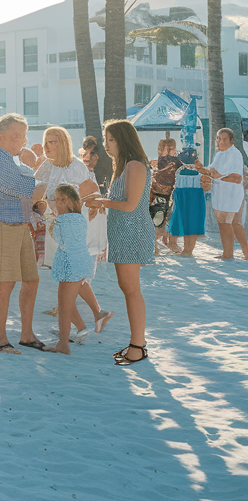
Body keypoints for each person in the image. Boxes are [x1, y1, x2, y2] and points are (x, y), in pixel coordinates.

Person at [0, 113, 46, 354]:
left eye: (23, 136)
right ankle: (1, 339)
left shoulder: (9, 158)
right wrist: (50, 185)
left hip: (17, 224)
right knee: (5, 283)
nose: (22, 141)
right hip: (1, 224)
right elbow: (22, 188)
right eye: (17, 136)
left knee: (31, 279)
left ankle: (26, 335)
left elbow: (26, 190)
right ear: (1, 136)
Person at [31, 126, 112, 338]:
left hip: (73, 228)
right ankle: (90, 318)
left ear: (64, 143)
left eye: (54, 142)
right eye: (47, 141)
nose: (48, 146)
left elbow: (90, 195)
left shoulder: (77, 167)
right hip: (57, 227)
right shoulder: (47, 166)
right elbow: (37, 190)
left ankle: (83, 322)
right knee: (68, 278)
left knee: (70, 278)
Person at [85, 119, 153, 366]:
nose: (106, 145)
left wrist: (100, 202)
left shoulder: (135, 165)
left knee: (132, 290)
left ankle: (138, 346)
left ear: (123, 139)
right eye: (105, 139)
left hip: (132, 233)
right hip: (123, 233)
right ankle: (137, 343)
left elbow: (130, 205)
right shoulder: (124, 166)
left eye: (110, 139)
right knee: (129, 290)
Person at [47, 185, 95, 355]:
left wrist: (51, 223)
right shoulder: (80, 218)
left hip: (68, 265)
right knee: (67, 304)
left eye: (56, 200)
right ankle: (81, 328)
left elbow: (58, 238)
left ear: (64, 201)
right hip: (81, 262)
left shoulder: (61, 221)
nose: (54, 204)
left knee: (64, 306)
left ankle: (63, 344)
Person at [205, 128, 247, 259]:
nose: (221, 141)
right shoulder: (219, 154)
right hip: (220, 194)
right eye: (219, 138)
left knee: (227, 223)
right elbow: (212, 171)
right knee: (231, 223)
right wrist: (200, 169)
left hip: (231, 194)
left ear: (231, 141)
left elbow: (237, 178)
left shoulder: (234, 154)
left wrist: (217, 177)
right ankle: (237, 253)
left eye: (224, 139)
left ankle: (228, 254)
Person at [151, 137, 180, 252]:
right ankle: (154, 245)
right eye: (165, 149)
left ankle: (168, 242)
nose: (168, 151)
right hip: (157, 193)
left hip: (169, 194)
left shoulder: (176, 161)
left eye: (171, 148)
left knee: (167, 219)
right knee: (157, 220)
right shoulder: (158, 162)